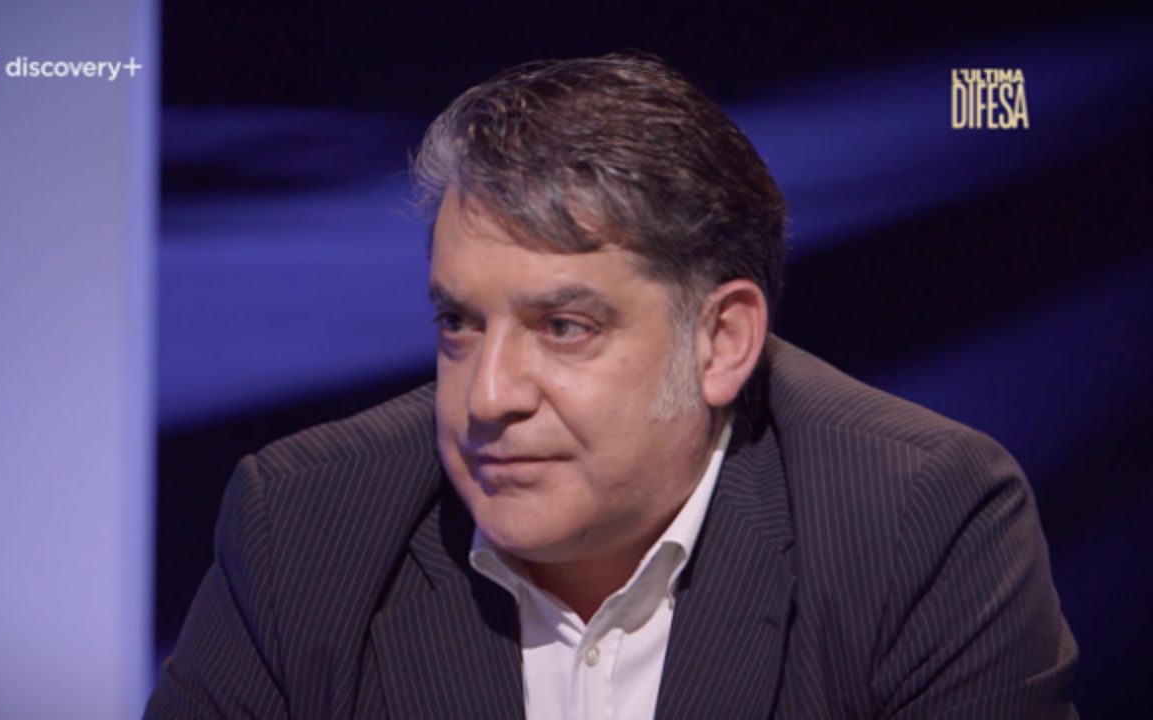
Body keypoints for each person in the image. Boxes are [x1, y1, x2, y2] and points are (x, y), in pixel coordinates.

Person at [146, 53, 1078, 719]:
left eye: (565, 327)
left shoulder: (918, 521)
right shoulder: (304, 522)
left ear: (722, 341)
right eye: (459, 324)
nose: (488, 398)